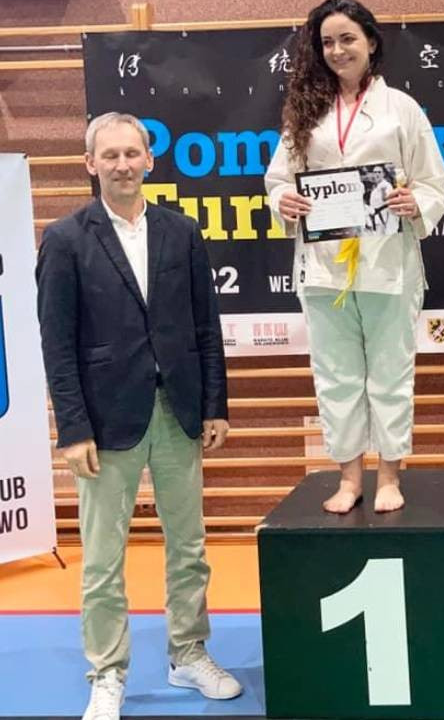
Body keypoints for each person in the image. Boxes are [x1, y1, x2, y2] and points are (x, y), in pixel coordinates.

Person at [36, 112, 241, 720]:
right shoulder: (65, 239)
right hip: (104, 422)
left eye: (132, 153)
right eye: (111, 155)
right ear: (90, 164)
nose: (123, 165)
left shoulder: (182, 232)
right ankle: (107, 672)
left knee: (189, 546)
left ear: (150, 159)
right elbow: (57, 344)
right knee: (103, 558)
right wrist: (72, 428)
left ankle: (188, 653)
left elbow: (206, 327)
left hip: (178, 411)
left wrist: (214, 405)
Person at [264, 0, 444, 514]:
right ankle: (349, 477)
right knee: (335, 375)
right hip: (323, 265)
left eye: (347, 39)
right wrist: (284, 200)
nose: (337, 50)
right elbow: (278, 180)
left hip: (388, 263)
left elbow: (434, 184)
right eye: (327, 42)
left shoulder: (402, 110)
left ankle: (389, 474)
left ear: (370, 42)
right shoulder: (306, 110)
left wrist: (416, 203)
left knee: (391, 373)